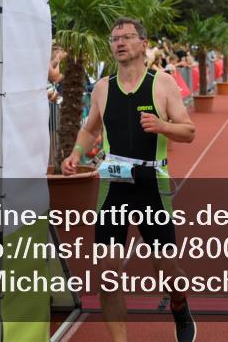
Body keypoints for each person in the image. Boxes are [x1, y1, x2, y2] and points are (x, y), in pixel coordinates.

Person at [62, 17, 197, 342]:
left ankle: (179, 305)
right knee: (107, 273)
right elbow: (91, 127)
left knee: (165, 268)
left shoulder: (162, 83)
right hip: (114, 184)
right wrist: (77, 153)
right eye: (114, 38)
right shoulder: (103, 88)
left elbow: (189, 131)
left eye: (126, 37)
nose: (119, 42)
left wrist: (162, 126)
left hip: (152, 182)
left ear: (142, 43)